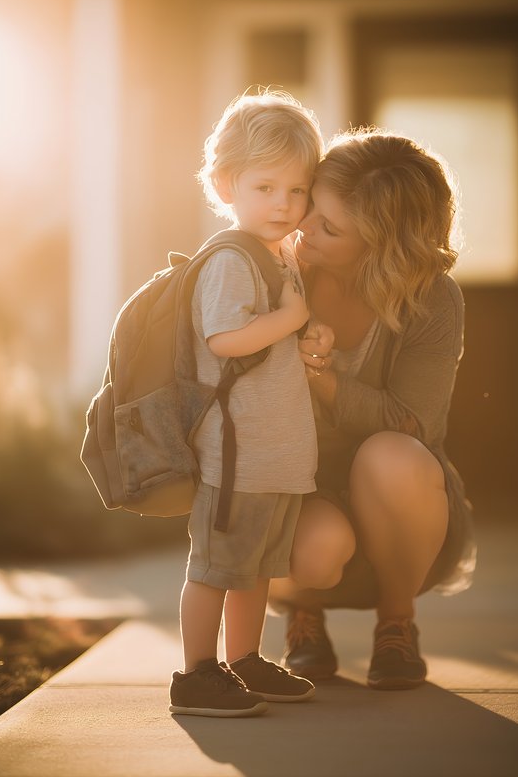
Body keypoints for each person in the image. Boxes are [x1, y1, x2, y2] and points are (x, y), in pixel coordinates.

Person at [269, 129, 477, 691]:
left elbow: (415, 424)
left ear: (381, 247)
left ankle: (397, 624)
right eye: (311, 206)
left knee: (394, 455)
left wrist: (327, 379)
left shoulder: (432, 297)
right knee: (310, 551)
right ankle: (301, 614)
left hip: (402, 511)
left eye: (330, 228)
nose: (303, 226)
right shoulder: (277, 267)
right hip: (303, 491)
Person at [169, 90, 324, 718]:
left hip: (274, 458)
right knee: (214, 568)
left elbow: (275, 339)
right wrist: (293, 317)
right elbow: (225, 338)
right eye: (266, 187)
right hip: (236, 461)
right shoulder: (232, 258)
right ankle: (196, 674)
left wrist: (304, 329)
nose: (284, 204)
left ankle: (244, 659)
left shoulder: (275, 257)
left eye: (297, 190)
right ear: (226, 183)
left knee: (255, 569)